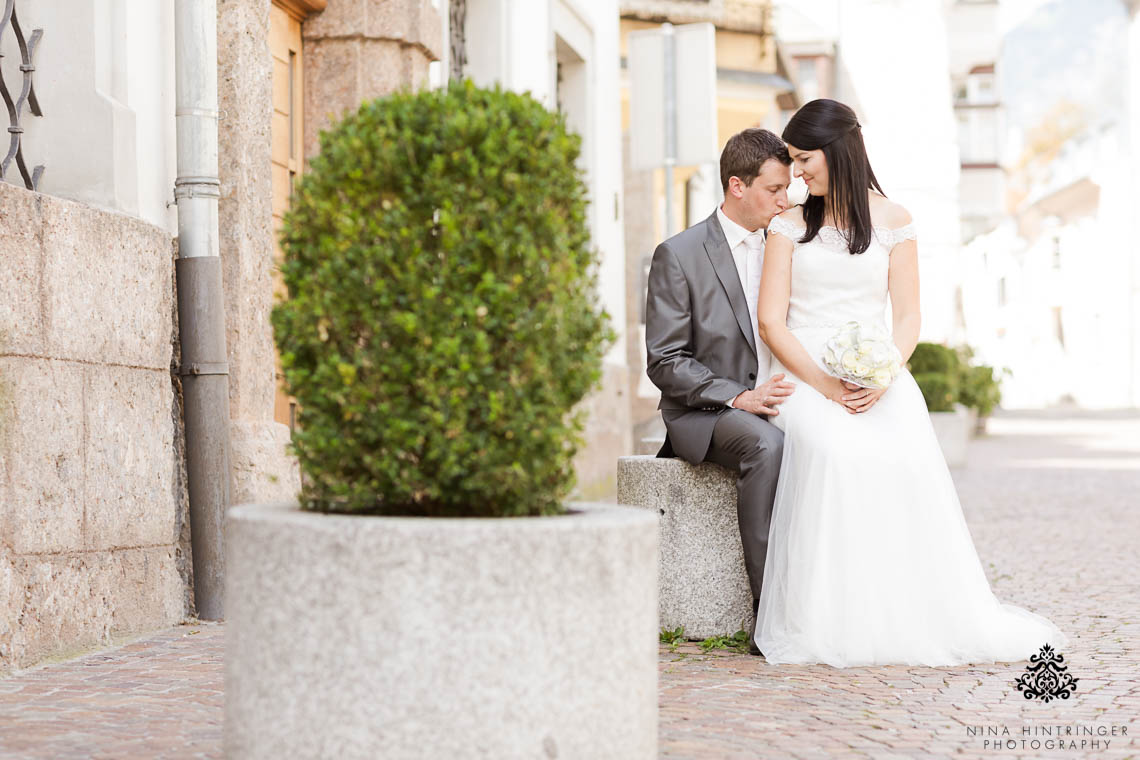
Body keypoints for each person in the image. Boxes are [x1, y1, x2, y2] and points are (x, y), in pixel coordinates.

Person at [754, 98, 1068, 667]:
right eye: (794, 162)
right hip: (803, 375)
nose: (798, 173)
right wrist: (825, 386)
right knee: (834, 451)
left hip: (874, 372)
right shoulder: (788, 224)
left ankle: (906, 611)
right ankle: (833, 616)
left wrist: (884, 373)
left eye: (805, 159)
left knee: (901, 451)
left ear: (838, 148)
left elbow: (908, 317)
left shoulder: (895, 221)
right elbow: (771, 321)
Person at [645, 128, 797, 656]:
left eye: (788, 188)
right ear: (737, 186)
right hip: (706, 411)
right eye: (775, 189)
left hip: (780, 394)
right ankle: (769, 618)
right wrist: (737, 397)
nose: (785, 200)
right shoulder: (679, 254)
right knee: (766, 446)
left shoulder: (791, 245)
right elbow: (664, 361)